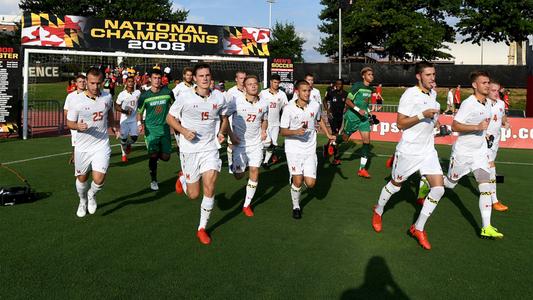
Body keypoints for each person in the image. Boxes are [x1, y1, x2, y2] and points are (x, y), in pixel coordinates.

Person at [371, 61, 443, 250]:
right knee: (395, 186)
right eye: (428, 75)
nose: (432, 78)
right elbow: (400, 124)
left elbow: (432, 120)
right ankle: (378, 211)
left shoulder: (433, 93)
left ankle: (418, 228)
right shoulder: (410, 94)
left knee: (438, 189)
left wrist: (437, 125)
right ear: (418, 76)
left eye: (433, 74)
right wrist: (422, 114)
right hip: (409, 150)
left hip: (428, 150)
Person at [167, 63, 228, 245]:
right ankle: (183, 179)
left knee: (210, 186)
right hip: (189, 150)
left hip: (210, 148)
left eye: (207, 75)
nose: (205, 78)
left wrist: (222, 132)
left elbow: (224, 118)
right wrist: (184, 131)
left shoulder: (218, 96)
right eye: (201, 76)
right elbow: (170, 118)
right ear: (194, 78)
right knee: (194, 195)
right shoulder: (184, 97)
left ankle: (201, 228)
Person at [444, 71, 503, 239]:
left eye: (488, 82)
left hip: (479, 153)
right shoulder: (468, 103)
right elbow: (455, 126)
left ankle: (487, 226)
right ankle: (427, 181)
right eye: (484, 83)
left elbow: (483, 126)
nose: (488, 85)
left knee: (485, 186)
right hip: (463, 153)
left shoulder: (488, 104)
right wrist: (477, 128)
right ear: (475, 85)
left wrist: (486, 134)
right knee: (449, 184)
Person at [66, 67, 117, 217]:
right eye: (92, 83)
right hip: (82, 146)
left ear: (102, 82)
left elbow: (110, 112)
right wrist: (78, 126)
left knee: (99, 178)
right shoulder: (76, 100)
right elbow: (69, 123)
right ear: (86, 82)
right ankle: (82, 200)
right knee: (82, 178)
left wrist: (113, 125)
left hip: (101, 144)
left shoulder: (107, 97)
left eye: (98, 83)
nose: (95, 86)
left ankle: (92, 195)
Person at [280, 80, 336, 219]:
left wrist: (328, 133)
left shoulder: (315, 105)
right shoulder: (289, 108)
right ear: (297, 92)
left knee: (310, 184)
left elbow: (319, 120)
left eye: (309, 90)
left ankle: (295, 178)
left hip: (310, 149)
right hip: (293, 149)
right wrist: (296, 132)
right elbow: (283, 131)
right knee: (298, 181)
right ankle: (296, 206)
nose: (307, 93)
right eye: (304, 91)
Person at [225, 75, 269, 216]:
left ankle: (246, 204)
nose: (253, 86)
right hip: (239, 144)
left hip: (255, 143)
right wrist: (231, 135)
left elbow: (264, 119)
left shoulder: (264, 104)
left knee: (255, 171)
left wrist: (263, 130)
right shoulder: (236, 102)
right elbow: (224, 117)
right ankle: (231, 157)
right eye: (250, 84)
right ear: (244, 88)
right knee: (239, 175)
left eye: (255, 83)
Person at [332, 67, 375, 177]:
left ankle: (362, 170)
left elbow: (365, 104)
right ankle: (333, 142)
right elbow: (347, 100)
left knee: (366, 142)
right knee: (345, 138)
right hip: (352, 117)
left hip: (363, 119)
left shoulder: (371, 89)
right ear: (363, 76)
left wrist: (369, 112)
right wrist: (357, 110)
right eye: (369, 74)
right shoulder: (357, 86)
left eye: (372, 74)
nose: (372, 76)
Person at [137, 68, 174, 191]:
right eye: (154, 78)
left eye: (159, 78)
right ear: (150, 79)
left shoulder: (168, 92)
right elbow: (139, 112)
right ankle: (153, 180)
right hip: (150, 130)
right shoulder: (144, 96)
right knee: (153, 156)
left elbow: (175, 107)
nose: (157, 80)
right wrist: (139, 123)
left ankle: (157, 155)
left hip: (165, 128)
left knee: (166, 157)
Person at [486, 81, 510, 211]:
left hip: (495, 140)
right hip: (483, 141)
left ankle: (433, 181)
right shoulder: (483, 104)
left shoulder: (500, 103)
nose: (496, 93)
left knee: (490, 166)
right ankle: (494, 200)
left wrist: (505, 122)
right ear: (487, 90)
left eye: (497, 90)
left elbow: (503, 115)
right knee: (491, 167)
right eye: (493, 90)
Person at [259, 74, 288, 167]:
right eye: (275, 82)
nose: (276, 84)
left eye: (278, 82)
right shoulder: (263, 93)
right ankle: (257, 158)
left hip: (276, 124)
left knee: (273, 144)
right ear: (271, 82)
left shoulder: (282, 94)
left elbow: (286, 108)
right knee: (266, 143)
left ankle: (266, 162)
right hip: (264, 122)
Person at [115, 76, 141, 163]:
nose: (130, 83)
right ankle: (124, 155)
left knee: (134, 138)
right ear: (126, 83)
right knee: (123, 139)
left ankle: (129, 145)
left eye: (132, 81)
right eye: (129, 81)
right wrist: (124, 111)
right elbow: (116, 106)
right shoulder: (122, 94)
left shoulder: (137, 92)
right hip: (124, 120)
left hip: (133, 119)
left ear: (134, 83)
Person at [225, 70, 247, 173]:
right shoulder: (231, 92)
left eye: (244, 78)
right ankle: (230, 164)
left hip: (246, 122)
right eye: (241, 78)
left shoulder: (249, 90)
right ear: (236, 79)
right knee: (231, 143)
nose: (243, 80)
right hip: (232, 120)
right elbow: (226, 108)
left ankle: (243, 162)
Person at [324, 79, 348, 164]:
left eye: (340, 84)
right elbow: (324, 100)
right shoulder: (332, 93)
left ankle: (327, 146)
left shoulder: (345, 94)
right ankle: (336, 158)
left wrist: (346, 108)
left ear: (342, 85)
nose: (338, 85)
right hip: (332, 116)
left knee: (334, 135)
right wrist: (327, 110)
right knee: (336, 135)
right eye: (337, 84)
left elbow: (348, 103)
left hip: (339, 117)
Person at [64, 74, 86, 164]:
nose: (82, 83)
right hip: (75, 123)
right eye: (80, 81)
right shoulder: (71, 96)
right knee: (75, 140)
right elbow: (66, 110)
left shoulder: (89, 95)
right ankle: (74, 155)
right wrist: (70, 120)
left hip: (87, 123)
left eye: (84, 81)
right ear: (76, 83)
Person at [171, 67, 195, 151]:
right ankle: (180, 148)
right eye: (187, 75)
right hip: (180, 115)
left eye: (191, 75)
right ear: (184, 75)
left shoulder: (195, 86)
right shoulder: (179, 87)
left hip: (192, 114)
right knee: (180, 136)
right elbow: (170, 95)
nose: (189, 77)